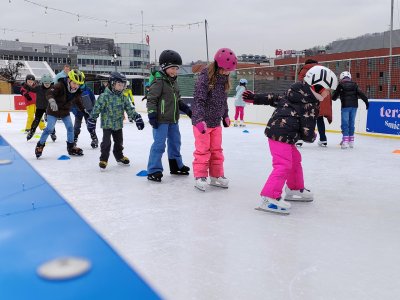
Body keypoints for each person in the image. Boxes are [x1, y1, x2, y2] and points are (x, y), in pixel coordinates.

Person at [242, 66, 338, 214]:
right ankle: (268, 197)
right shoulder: (310, 104)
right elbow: (307, 133)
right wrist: (312, 137)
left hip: (281, 133)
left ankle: (294, 188)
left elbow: (273, 98)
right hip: (280, 135)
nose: (328, 94)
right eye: (328, 90)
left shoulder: (294, 93)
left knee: (295, 159)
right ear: (318, 87)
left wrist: (254, 98)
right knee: (283, 165)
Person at [191, 48, 237, 191]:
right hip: (202, 123)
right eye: (225, 70)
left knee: (217, 150)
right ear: (217, 65)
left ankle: (216, 175)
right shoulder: (205, 78)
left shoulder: (224, 81)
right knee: (203, 150)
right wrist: (198, 119)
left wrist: (226, 115)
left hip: (216, 122)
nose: (227, 73)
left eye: (229, 71)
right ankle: (200, 175)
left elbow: (223, 101)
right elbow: (198, 100)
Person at [146, 49, 192, 182]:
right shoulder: (159, 81)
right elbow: (152, 99)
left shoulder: (174, 82)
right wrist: (152, 114)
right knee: (159, 145)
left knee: (175, 143)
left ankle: (176, 165)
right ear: (164, 67)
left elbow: (178, 99)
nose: (174, 71)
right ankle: (154, 170)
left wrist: (187, 110)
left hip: (173, 120)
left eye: (176, 69)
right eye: (172, 68)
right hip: (160, 120)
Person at [87, 72, 144, 170]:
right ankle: (103, 159)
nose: (121, 87)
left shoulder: (123, 97)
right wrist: (92, 119)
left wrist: (137, 117)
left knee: (119, 142)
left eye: (123, 85)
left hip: (118, 124)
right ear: (112, 84)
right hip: (107, 124)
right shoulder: (104, 96)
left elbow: (129, 108)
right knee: (106, 143)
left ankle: (119, 157)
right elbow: (96, 109)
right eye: (119, 85)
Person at [35, 69, 87, 158]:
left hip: (65, 112)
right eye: (74, 83)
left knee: (70, 128)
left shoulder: (77, 91)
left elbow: (78, 101)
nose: (76, 86)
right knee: (49, 129)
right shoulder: (60, 85)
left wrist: (84, 111)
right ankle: (40, 145)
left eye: (78, 84)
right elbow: (49, 92)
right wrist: (51, 101)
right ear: (68, 79)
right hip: (53, 111)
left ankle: (71, 147)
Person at [297, 59, 333, 147]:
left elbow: (301, 83)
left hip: (309, 96)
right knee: (319, 118)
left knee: (304, 119)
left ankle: (300, 139)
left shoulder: (304, 70)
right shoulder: (322, 69)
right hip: (323, 96)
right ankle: (323, 140)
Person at [332, 71, 369, 149]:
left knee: (345, 124)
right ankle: (351, 141)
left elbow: (334, 97)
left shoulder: (340, 85)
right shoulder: (355, 85)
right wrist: (366, 102)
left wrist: (333, 93)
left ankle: (345, 141)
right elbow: (361, 94)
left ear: (341, 78)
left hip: (345, 106)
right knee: (351, 123)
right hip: (354, 106)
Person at [26, 74, 57, 142]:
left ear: (51, 82)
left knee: (50, 121)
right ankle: (31, 132)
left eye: (48, 83)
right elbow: (31, 89)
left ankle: (53, 133)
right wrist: (26, 85)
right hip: (40, 107)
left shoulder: (53, 88)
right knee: (36, 120)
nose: (47, 84)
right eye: (45, 83)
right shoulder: (38, 87)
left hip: (49, 108)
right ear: (43, 82)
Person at [71, 83, 98, 148]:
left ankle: (94, 138)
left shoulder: (88, 90)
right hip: (78, 112)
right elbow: (71, 103)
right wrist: (74, 111)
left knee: (90, 126)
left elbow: (93, 100)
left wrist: (94, 111)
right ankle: (74, 139)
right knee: (76, 127)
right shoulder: (74, 90)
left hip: (88, 112)